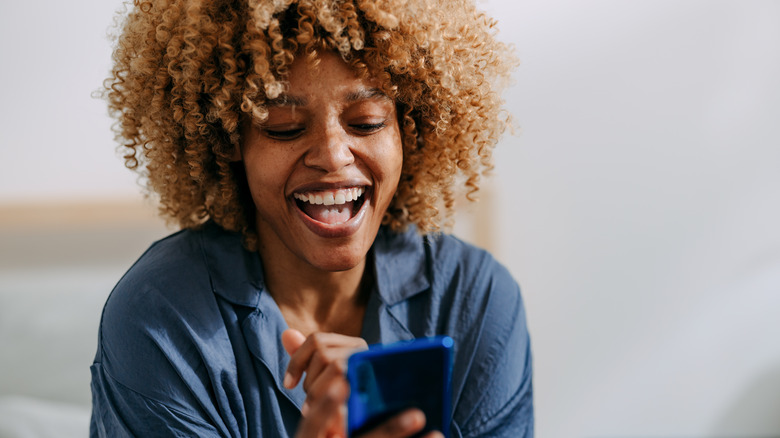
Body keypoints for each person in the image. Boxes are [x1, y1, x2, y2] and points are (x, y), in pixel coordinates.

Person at [89, 0, 533, 436]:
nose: (333, 156)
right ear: (228, 138)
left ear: (410, 125)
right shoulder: (161, 319)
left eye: (367, 122)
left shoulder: (475, 299)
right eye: (284, 126)